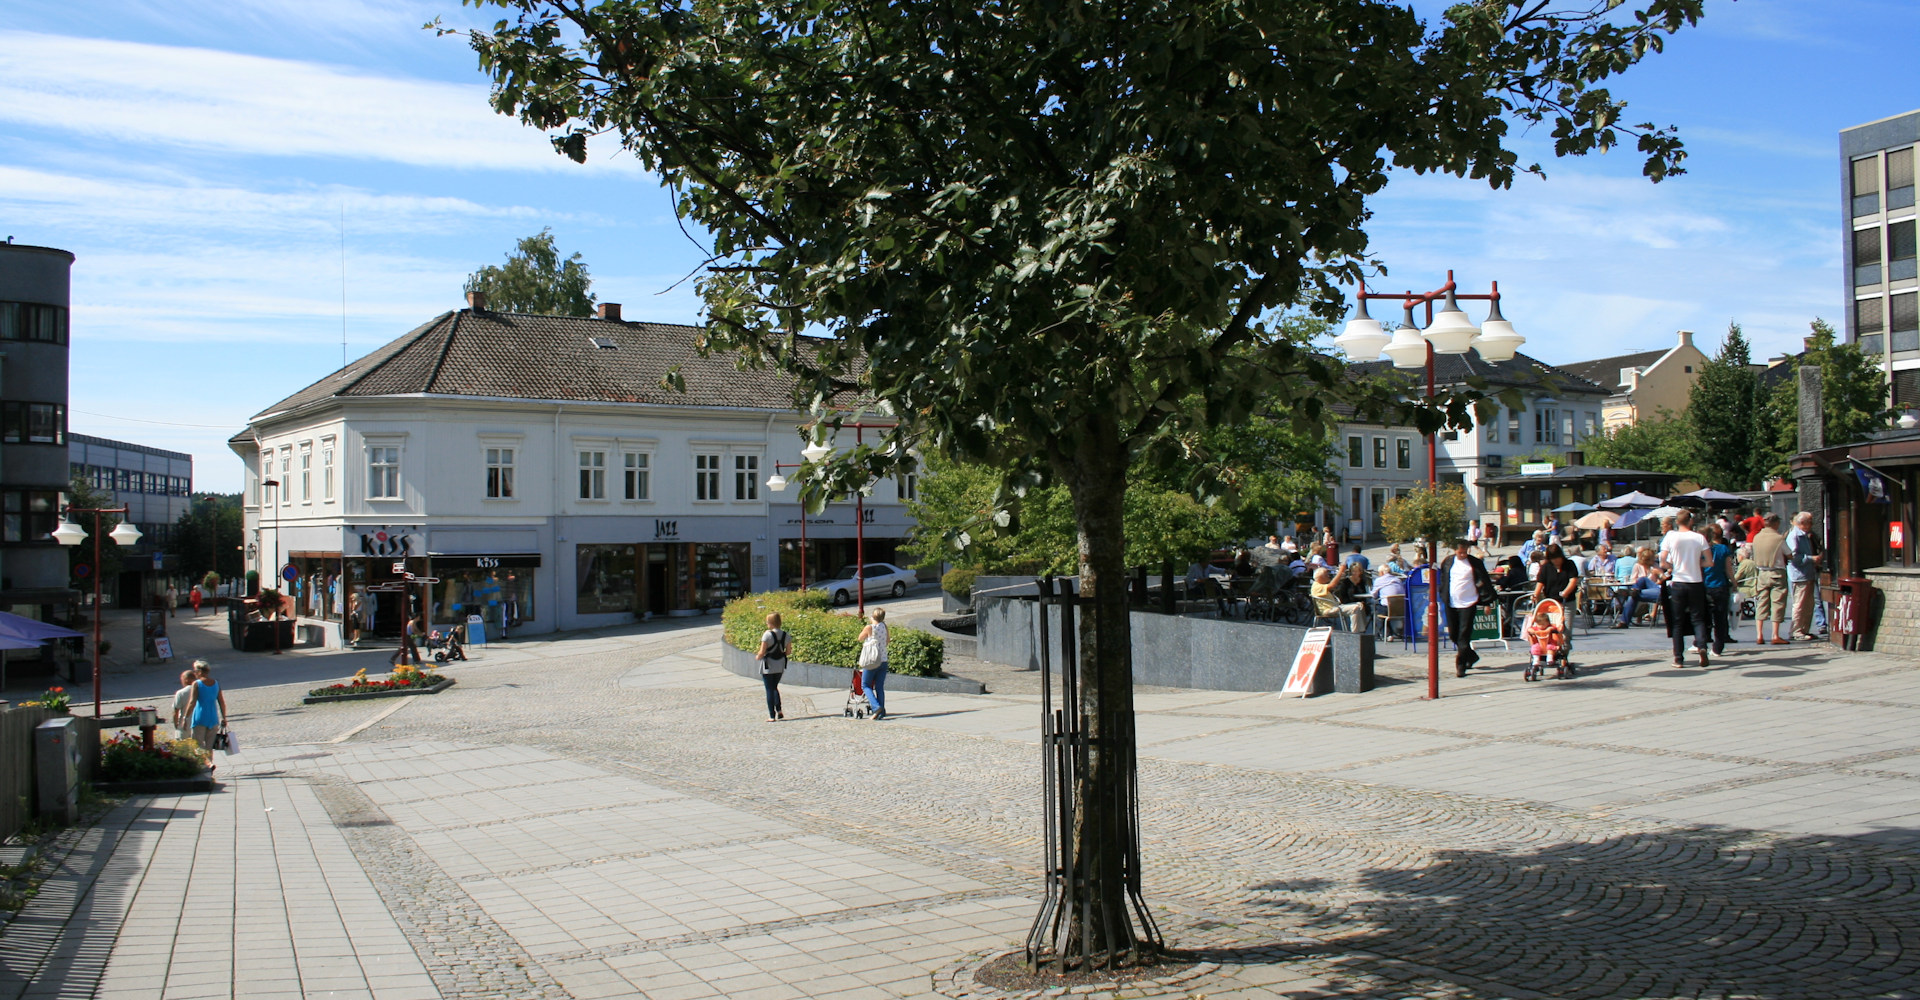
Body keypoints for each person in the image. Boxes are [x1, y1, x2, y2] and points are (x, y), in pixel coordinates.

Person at [1660, 510, 1712, 668]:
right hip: (1695, 582)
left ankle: (1678, 658)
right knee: (1698, 618)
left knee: (1677, 621)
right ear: (1690, 521)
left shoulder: (1671, 537)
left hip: (1678, 581)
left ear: (1677, 522)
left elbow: (1662, 560)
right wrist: (1697, 563)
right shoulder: (1699, 537)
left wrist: (1671, 566)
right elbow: (1709, 562)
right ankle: (1702, 646)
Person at [1438, 538, 1495, 677]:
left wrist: (1487, 603)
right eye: (1460, 552)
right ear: (1455, 550)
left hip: (1469, 602)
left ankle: (1461, 665)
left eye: (1465, 552)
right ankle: (1471, 656)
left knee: (1464, 635)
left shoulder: (1475, 563)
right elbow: (1444, 579)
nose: (1462, 555)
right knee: (1453, 635)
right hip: (1452, 602)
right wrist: (1442, 594)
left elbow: (1484, 582)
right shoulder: (1448, 562)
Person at [1750, 513, 1789, 645]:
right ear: (1776, 523)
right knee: (1777, 603)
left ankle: (1759, 635)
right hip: (1777, 572)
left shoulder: (1756, 537)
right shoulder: (1778, 538)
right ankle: (1775, 635)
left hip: (1762, 573)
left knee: (1761, 602)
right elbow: (1789, 553)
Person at [1784, 511, 1822, 642]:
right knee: (1800, 604)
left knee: (1808, 605)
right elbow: (1793, 557)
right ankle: (1797, 631)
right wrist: (1811, 558)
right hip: (1799, 575)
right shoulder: (1794, 536)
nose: (1811, 524)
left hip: (1808, 574)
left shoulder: (1805, 535)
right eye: (1810, 522)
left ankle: (1804, 629)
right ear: (1802, 523)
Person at [1702, 524, 1735, 656]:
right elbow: (1728, 569)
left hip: (1704, 586)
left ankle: (1702, 642)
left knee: (1704, 617)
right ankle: (1718, 647)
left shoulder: (1699, 551)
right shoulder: (1723, 549)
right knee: (1720, 618)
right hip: (1720, 585)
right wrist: (1734, 582)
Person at [183, 660, 228, 757]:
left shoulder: (197, 684)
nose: (194, 673)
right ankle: (210, 764)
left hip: (200, 717)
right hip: (213, 718)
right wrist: (224, 717)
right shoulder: (216, 683)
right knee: (209, 748)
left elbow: (192, 702)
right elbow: (221, 702)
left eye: (195, 671)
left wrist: (185, 717)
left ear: (200, 671)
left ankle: (203, 764)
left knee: (198, 746)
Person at [754, 612, 790, 722]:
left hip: (768, 665)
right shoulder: (786, 635)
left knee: (769, 689)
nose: (766, 623)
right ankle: (779, 710)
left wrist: (758, 657)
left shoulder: (767, 635)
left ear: (771, 622)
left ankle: (771, 715)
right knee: (774, 687)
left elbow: (762, 651)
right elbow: (788, 652)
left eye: (767, 622)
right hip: (780, 665)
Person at [1615, 549, 1663, 628]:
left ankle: (1624, 622)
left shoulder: (1655, 566)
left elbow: (1662, 581)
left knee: (1636, 592)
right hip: (1641, 587)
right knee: (1640, 582)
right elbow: (1633, 579)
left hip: (1654, 588)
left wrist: (1659, 574)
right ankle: (1634, 591)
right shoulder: (1638, 565)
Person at [857, 607, 890, 720]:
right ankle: (881, 712)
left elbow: (860, 638)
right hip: (883, 659)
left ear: (873, 616)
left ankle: (876, 707)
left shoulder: (869, 627)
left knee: (865, 685)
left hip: (872, 660)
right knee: (879, 686)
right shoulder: (884, 626)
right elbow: (887, 641)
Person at [1533, 543, 1580, 611]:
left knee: (1566, 618)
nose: (1555, 560)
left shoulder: (1569, 564)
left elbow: (1573, 580)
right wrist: (1535, 595)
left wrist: (1565, 592)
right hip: (1550, 602)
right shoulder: (1546, 567)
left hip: (1567, 602)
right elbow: (1540, 582)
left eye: (1557, 557)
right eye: (1553, 558)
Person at [1327, 562, 1368, 632]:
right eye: (1353, 571)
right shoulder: (1346, 582)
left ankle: (1361, 630)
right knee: (1359, 607)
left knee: (1363, 606)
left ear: (1360, 572)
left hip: (1359, 602)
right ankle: (1357, 631)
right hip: (1347, 602)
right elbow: (1342, 596)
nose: (1354, 573)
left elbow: (1364, 594)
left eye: (1356, 571)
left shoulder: (1362, 582)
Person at [170, 669, 195, 739]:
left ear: (186, 680)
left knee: (183, 744)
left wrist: (176, 725)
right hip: (198, 724)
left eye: (182, 679)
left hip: (184, 725)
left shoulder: (181, 693)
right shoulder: (201, 690)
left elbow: (176, 711)